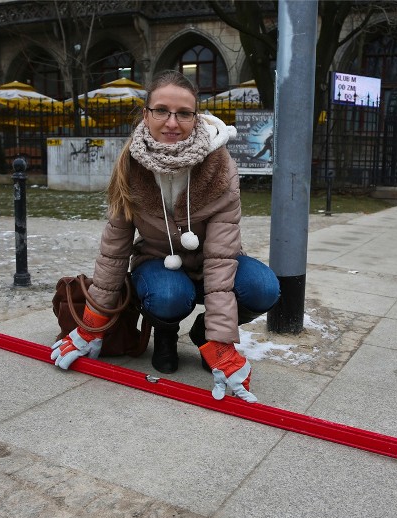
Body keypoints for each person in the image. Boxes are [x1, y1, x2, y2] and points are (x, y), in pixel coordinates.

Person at [51, 70, 279, 403]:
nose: (172, 122)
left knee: (264, 287)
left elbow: (219, 258)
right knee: (169, 295)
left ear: (195, 117)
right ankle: (166, 331)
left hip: (209, 262)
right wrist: (91, 325)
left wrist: (222, 342)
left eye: (184, 113)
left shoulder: (219, 166)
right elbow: (115, 248)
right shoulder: (130, 166)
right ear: (146, 114)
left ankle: (203, 334)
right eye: (161, 110)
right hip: (157, 261)